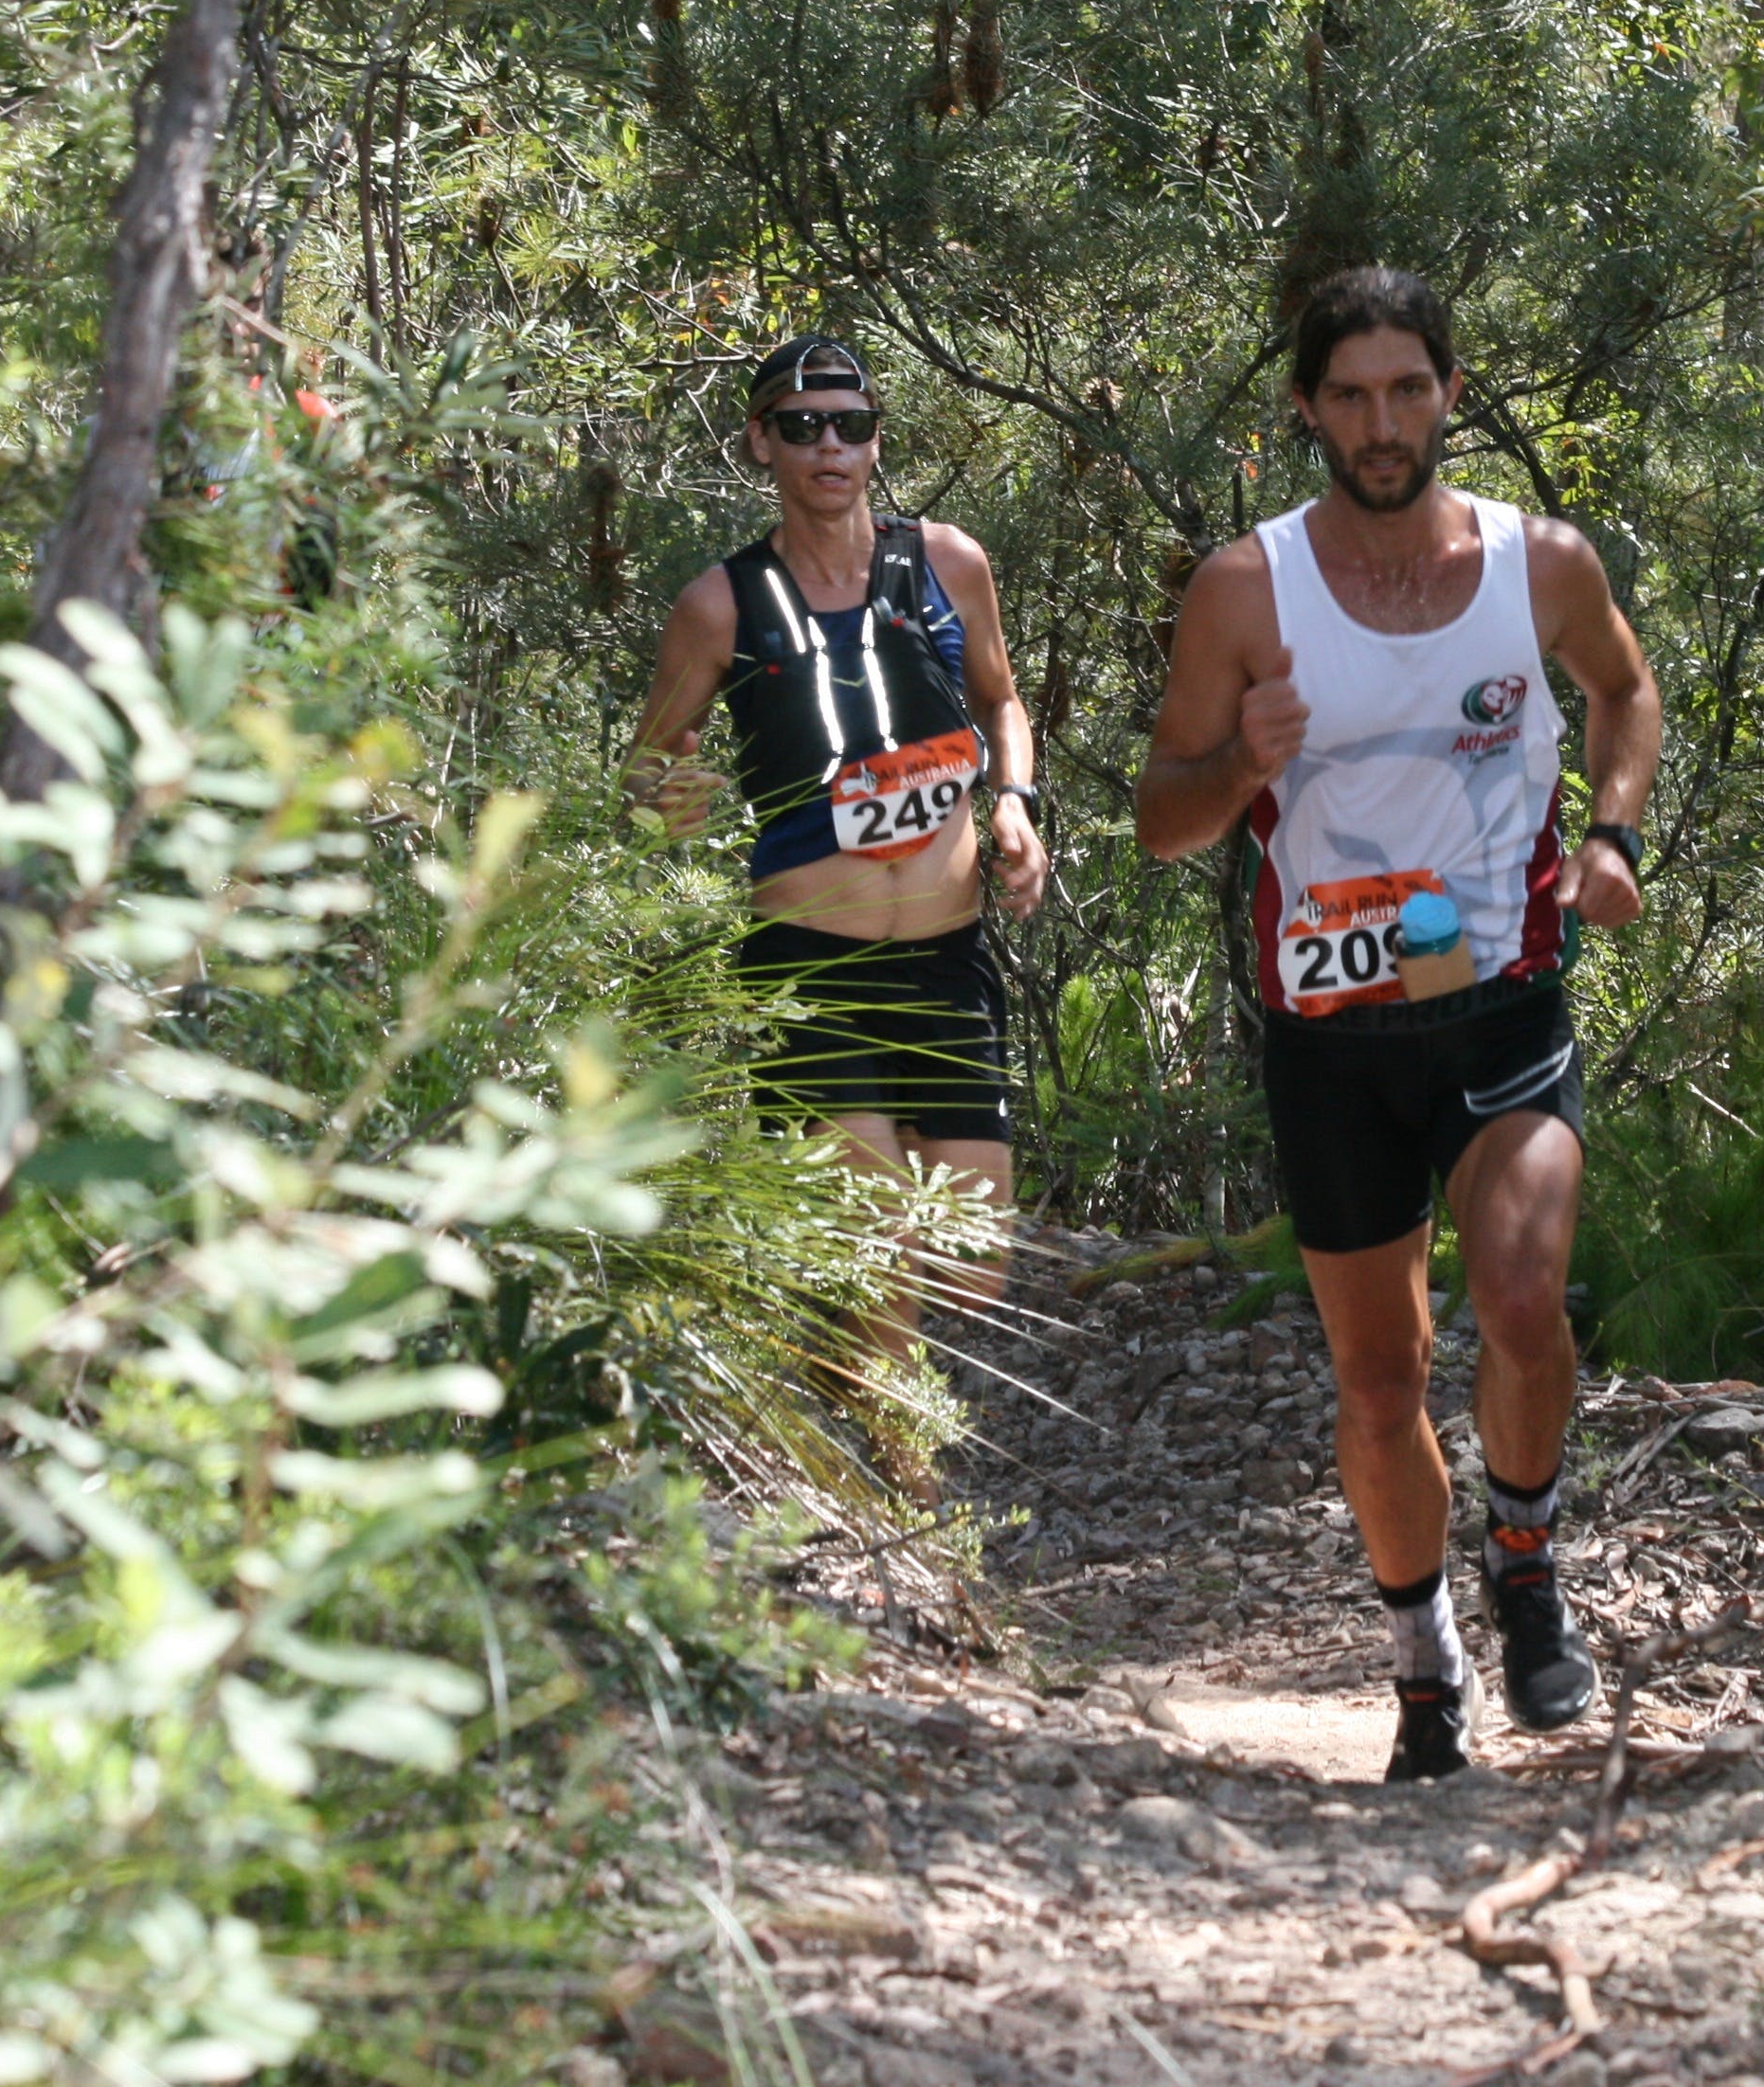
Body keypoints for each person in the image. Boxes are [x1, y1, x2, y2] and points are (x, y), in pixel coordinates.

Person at [1135, 267, 1663, 1782]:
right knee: (1378, 1378)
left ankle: (1530, 1567)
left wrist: (1613, 837)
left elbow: (1623, 694)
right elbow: (1162, 822)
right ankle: (1425, 1664)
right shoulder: (1248, 591)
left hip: (1503, 998)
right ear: (1308, 408)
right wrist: (1240, 763)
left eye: (1409, 390)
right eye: (1351, 395)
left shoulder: (1536, 563)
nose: (1382, 423)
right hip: (1330, 1037)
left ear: (1448, 392)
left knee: (1518, 1299)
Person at [624, 337, 1052, 1442]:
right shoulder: (721, 605)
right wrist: (667, 790)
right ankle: (901, 1505)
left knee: (971, 1271)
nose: (829, 446)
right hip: (810, 966)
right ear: (761, 440)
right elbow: (646, 760)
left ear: (875, 439)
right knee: (878, 1260)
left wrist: (1015, 802)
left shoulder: (948, 563)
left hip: (947, 958)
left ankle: (805, 1368)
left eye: (850, 425)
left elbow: (1002, 700)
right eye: (802, 424)